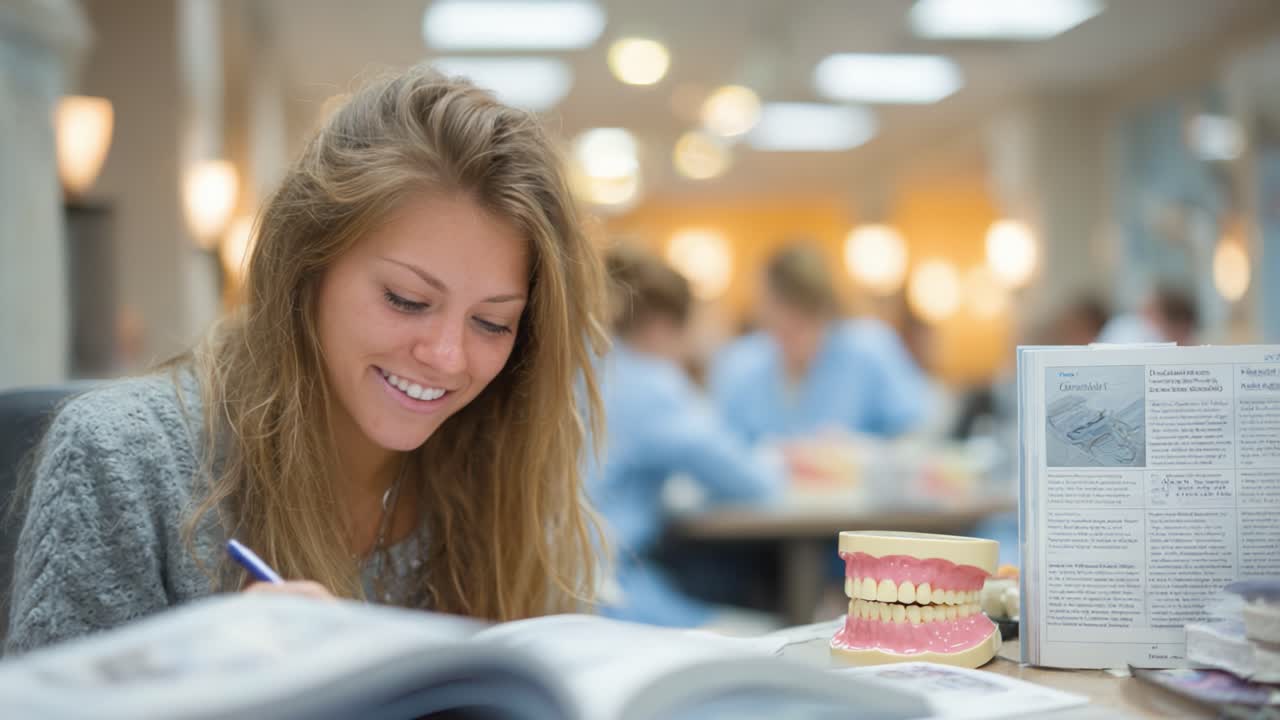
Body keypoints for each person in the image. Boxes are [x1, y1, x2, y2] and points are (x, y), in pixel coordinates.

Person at [5, 66, 609, 655]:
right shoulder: (125, 459)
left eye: (492, 322)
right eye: (407, 300)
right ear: (307, 269)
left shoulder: (503, 468)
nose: (447, 358)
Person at [588, 245, 783, 627]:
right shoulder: (649, 384)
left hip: (554, 586)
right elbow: (753, 481)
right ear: (663, 326)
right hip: (604, 594)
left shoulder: (581, 367)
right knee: (767, 632)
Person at [709, 244, 929, 447]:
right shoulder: (740, 364)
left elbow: (915, 432)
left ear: (825, 310)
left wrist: (859, 450)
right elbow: (723, 447)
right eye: (778, 318)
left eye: (802, 319)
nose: (790, 328)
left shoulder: (870, 349)